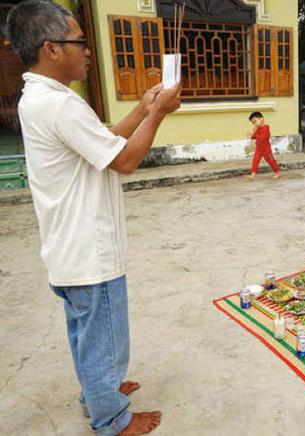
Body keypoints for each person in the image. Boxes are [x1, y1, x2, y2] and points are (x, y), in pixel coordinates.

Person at [6, 1, 181, 434]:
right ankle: (111, 418)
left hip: (69, 249)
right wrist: (158, 113)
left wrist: (142, 109)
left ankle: (98, 391)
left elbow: (103, 140)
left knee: (90, 334)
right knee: (102, 337)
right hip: (87, 251)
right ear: (51, 49)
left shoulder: (46, 99)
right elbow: (124, 161)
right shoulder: (58, 105)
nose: (87, 51)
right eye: (80, 42)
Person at [246, 111, 280, 180]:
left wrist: (255, 133)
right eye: (253, 123)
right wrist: (251, 133)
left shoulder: (266, 128)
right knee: (255, 161)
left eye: (255, 121)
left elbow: (262, 138)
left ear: (261, 119)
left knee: (271, 161)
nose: (254, 124)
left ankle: (277, 172)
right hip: (259, 149)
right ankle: (253, 174)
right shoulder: (257, 129)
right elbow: (254, 137)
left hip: (266, 150)